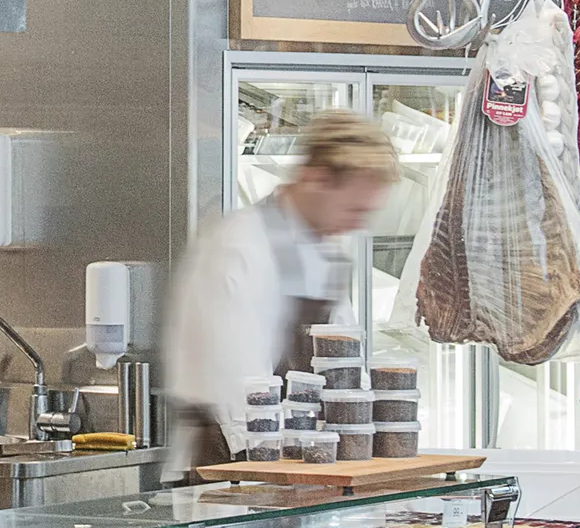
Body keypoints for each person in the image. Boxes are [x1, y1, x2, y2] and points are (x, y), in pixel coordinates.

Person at [161, 109, 400, 479]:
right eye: (354, 209)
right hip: (228, 468)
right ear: (318, 179)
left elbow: (344, 364)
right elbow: (240, 391)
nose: (358, 224)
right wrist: (271, 471)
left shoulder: (323, 254)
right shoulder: (241, 246)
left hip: (293, 464)